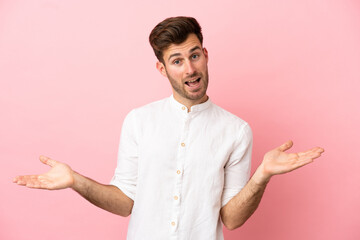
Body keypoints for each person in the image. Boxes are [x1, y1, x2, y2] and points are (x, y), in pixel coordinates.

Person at [13, 16, 324, 240]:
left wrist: (262, 176)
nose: (189, 68)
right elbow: (124, 203)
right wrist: (75, 181)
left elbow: (231, 219)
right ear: (162, 69)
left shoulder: (236, 131)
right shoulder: (139, 120)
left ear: (205, 55)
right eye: (177, 60)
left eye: (194, 55)